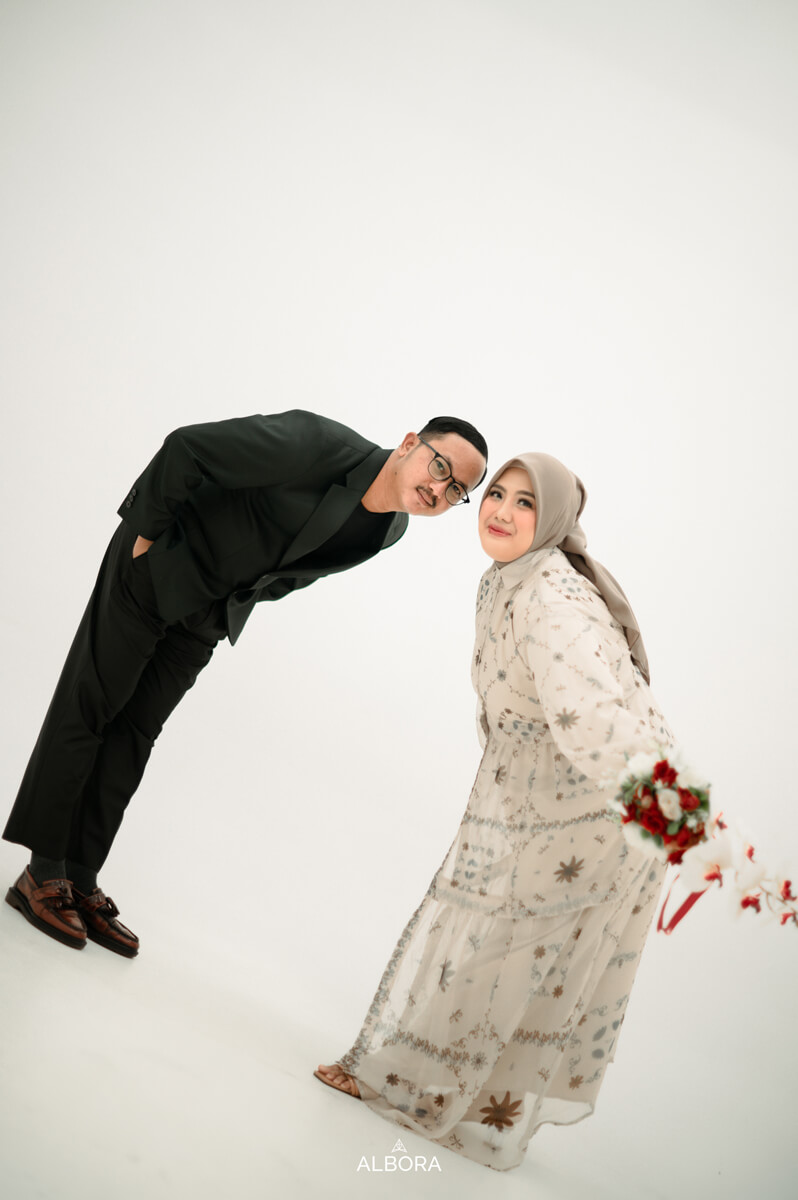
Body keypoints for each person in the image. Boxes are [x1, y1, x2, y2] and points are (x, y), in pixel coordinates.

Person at [4, 409, 488, 957]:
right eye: (440, 467)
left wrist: (233, 605)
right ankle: (41, 872)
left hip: (207, 614)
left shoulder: (390, 529)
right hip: (157, 564)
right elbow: (187, 448)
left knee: (136, 732)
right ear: (409, 444)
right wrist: (145, 533)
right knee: (91, 706)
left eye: (457, 490)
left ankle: (80, 875)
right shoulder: (318, 443)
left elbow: (293, 570)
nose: (440, 489)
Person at [315, 452, 674, 1171]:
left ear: (556, 520)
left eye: (525, 503)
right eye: (496, 495)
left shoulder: (553, 597)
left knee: (502, 946)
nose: (502, 512)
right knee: (501, 941)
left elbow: (590, 713)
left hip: (601, 801)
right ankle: (436, 1088)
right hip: (551, 794)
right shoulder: (511, 578)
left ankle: (407, 1082)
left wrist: (664, 805)